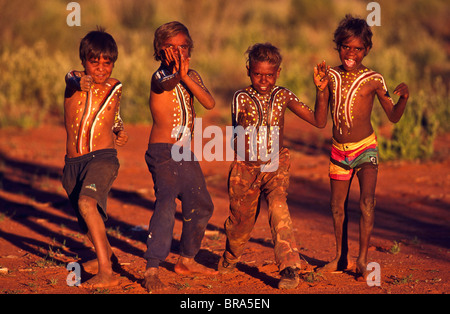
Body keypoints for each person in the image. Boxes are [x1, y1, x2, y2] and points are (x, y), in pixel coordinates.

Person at [218, 43, 329, 289]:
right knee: (240, 224)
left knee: (279, 207)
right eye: (258, 74)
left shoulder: (284, 96)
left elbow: (319, 121)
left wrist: (321, 91)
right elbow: (236, 137)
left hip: (276, 163)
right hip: (245, 169)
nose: (264, 80)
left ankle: (290, 268)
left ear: (278, 72)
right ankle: (231, 256)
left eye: (269, 75)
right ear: (249, 70)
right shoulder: (241, 97)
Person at [316, 15, 409, 280]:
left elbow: (393, 116)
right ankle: (339, 257)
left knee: (367, 202)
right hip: (338, 151)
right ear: (337, 46)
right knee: (337, 206)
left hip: (365, 149)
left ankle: (363, 259)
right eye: (346, 47)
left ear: (366, 50)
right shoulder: (330, 76)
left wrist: (404, 99)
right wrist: (320, 90)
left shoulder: (375, 79)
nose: (351, 53)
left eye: (357, 49)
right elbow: (321, 120)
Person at [142, 21, 216, 292]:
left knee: (202, 204)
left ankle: (186, 259)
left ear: (190, 49)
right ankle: (151, 268)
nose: (177, 52)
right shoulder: (160, 76)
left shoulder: (191, 76)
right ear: (160, 51)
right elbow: (168, 82)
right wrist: (179, 74)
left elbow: (209, 103)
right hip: (163, 152)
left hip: (184, 153)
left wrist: (186, 75)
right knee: (166, 202)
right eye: (171, 48)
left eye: (183, 47)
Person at [62, 28, 128, 288]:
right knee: (86, 221)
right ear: (83, 62)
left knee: (88, 203)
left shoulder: (114, 86)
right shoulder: (74, 80)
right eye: (94, 62)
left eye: (107, 63)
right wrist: (79, 81)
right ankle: (108, 256)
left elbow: (113, 115)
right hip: (73, 164)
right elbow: (70, 77)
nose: (101, 68)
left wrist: (119, 130)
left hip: (102, 157)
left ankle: (106, 272)